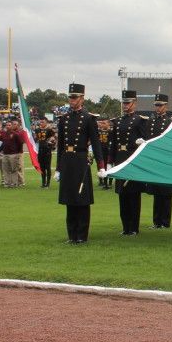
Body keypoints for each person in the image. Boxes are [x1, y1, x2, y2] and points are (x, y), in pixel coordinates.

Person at [55, 83, 106, 244]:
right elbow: (61, 145)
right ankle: (71, 235)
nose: (72, 100)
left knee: (82, 199)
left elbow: (96, 144)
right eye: (70, 97)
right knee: (70, 199)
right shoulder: (64, 119)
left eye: (75, 97)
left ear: (82, 98)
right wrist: (58, 168)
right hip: (67, 161)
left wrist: (101, 165)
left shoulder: (88, 119)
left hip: (80, 160)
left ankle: (82, 236)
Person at [109, 90, 149, 235]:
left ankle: (134, 228)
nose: (125, 105)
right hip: (120, 159)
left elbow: (146, 140)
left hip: (132, 160)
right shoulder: (118, 121)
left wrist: (141, 142)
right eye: (124, 103)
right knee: (122, 196)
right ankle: (125, 227)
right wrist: (110, 162)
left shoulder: (140, 120)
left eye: (128, 103)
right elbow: (113, 144)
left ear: (134, 103)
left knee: (133, 195)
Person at [142, 93, 172, 229]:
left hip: (166, 160)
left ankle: (165, 221)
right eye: (156, 105)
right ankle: (156, 221)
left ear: (165, 106)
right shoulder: (150, 121)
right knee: (157, 193)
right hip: (155, 160)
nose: (158, 108)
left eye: (160, 105)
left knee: (166, 194)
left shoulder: (169, 122)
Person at [0, 120, 24, 188]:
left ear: (12, 126)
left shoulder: (15, 134)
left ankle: (14, 183)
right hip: (5, 154)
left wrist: (18, 152)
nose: (8, 126)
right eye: (7, 125)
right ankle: (7, 183)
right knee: (6, 169)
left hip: (13, 154)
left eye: (9, 125)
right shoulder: (4, 134)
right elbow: (3, 144)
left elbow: (20, 143)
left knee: (14, 169)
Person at [34, 118, 56, 188]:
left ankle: (48, 183)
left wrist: (52, 144)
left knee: (47, 167)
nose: (41, 123)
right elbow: (35, 139)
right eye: (40, 122)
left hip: (47, 151)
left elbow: (54, 139)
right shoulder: (37, 130)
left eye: (43, 122)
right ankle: (43, 183)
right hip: (40, 150)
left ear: (46, 122)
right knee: (42, 168)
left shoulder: (49, 130)